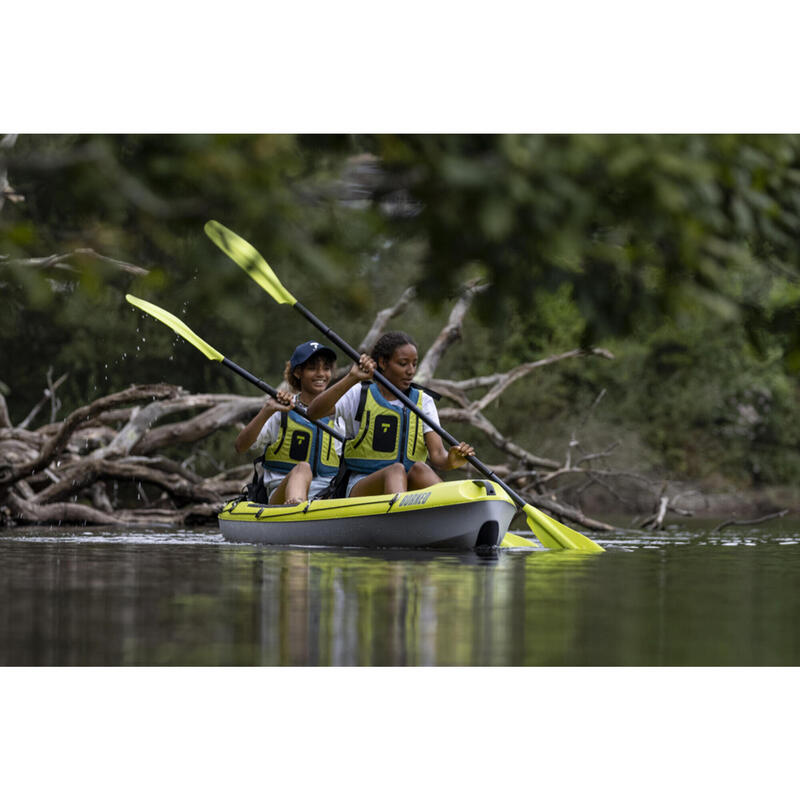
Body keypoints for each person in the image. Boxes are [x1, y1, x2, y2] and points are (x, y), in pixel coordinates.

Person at [306, 331, 475, 498]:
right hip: (361, 485)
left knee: (421, 469)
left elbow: (438, 456)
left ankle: (451, 510)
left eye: (414, 364)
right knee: (396, 471)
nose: (411, 371)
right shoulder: (359, 394)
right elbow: (313, 413)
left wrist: (450, 460)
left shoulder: (424, 401)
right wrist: (352, 378)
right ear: (383, 362)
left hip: (407, 489)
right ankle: (400, 520)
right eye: (403, 364)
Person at [235, 341, 341, 504]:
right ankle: (296, 507)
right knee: (303, 468)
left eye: (326, 368)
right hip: (281, 495)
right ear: (298, 372)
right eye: (312, 368)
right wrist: (267, 410)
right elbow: (241, 446)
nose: (321, 374)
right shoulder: (281, 411)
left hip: (327, 495)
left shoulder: (340, 412)